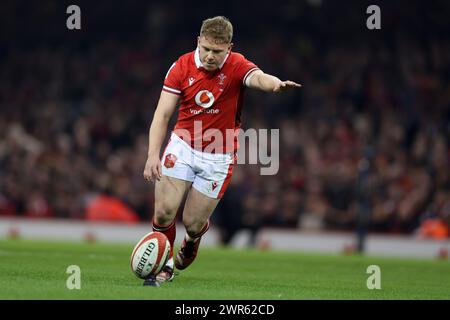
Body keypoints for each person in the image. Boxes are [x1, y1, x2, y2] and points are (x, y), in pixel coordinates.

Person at [142, 16, 301, 286]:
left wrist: (274, 84)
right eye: (205, 49)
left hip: (218, 154)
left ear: (229, 47)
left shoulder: (237, 64)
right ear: (198, 42)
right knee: (164, 213)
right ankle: (165, 266)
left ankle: (193, 240)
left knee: (192, 223)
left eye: (217, 51)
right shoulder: (181, 66)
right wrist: (152, 154)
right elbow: (162, 114)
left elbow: (258, 77)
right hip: (182, 145)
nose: (210, 56)